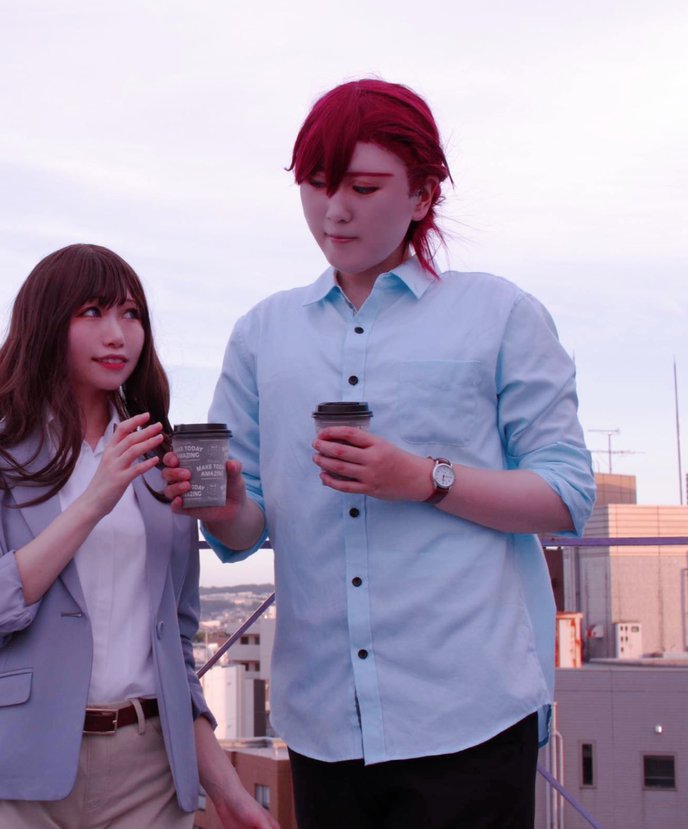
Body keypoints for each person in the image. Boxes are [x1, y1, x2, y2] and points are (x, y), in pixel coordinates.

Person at [163, 80, 595, 828]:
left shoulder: (499, 314)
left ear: (423, 195)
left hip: (471, 707)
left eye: (363, 188)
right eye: (317, 184)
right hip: (324, 716)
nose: (335, 209)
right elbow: (245, 527)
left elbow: (567, 494)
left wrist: (424, 478)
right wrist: (228, 506)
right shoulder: (262, 333)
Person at [0, 243, 276, 829]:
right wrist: (93, 501)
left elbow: (176, 648)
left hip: (148, 771)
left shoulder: (163, 461)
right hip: (11, 764)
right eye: (92, 312)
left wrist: (228, 789)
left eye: (131, 314)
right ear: (45, 325)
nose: (118, 335)